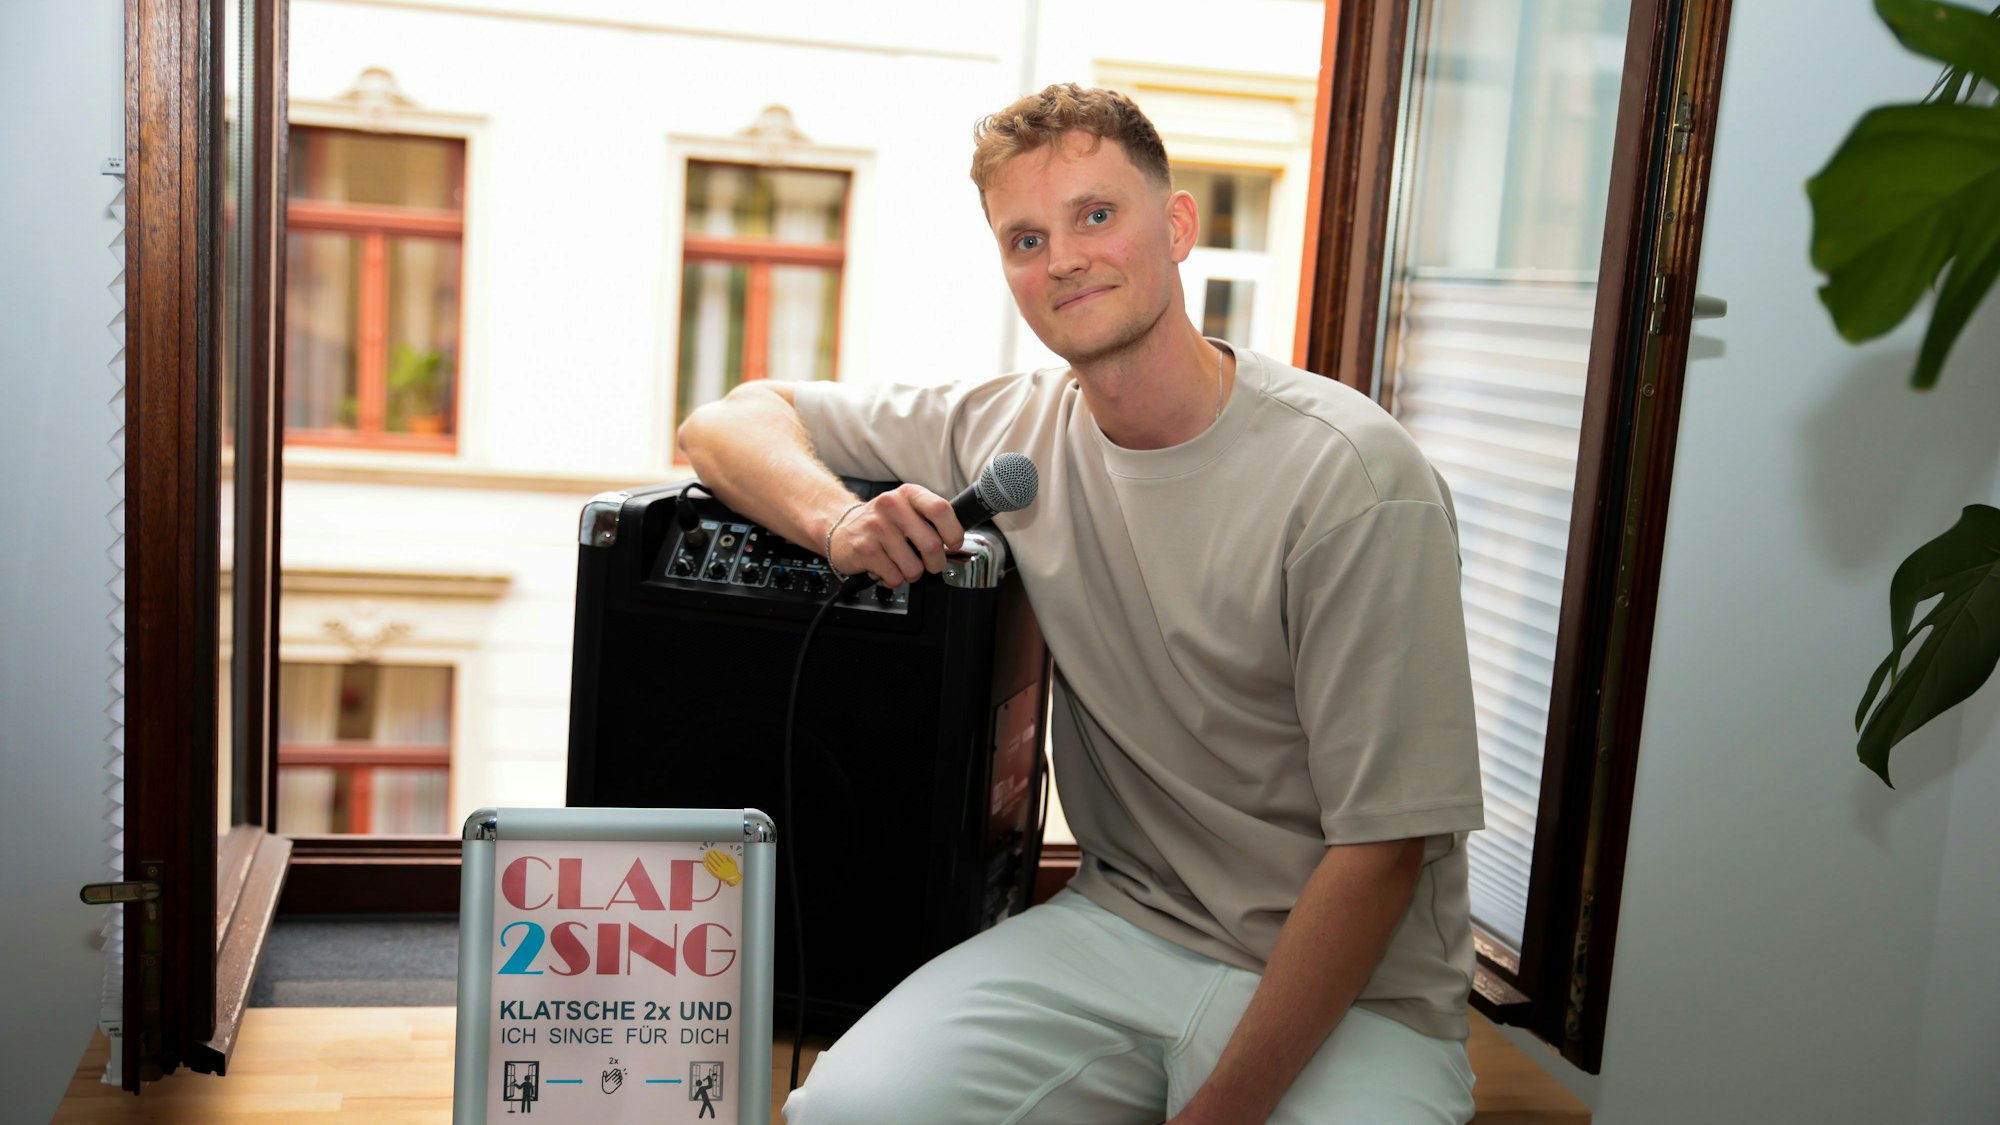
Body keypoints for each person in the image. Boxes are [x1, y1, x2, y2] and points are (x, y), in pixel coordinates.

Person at [678, 82, 1484, 1125]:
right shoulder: (1011, 429)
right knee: (841, 1112)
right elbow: (730, 418)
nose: (1060, 258)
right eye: (1024, 237)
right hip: (1124, 927)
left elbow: (1381, 855)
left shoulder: (1353, 479)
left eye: (1095, 216)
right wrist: (840, 527)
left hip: (1358, 991)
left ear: (1179, 226)